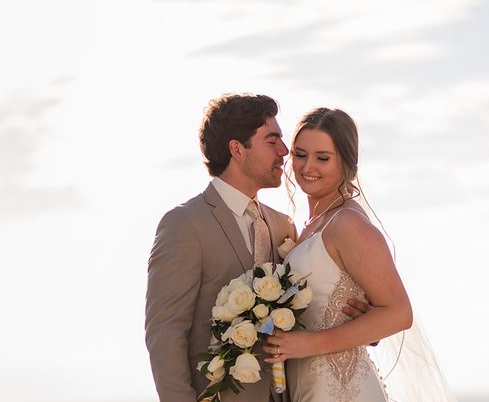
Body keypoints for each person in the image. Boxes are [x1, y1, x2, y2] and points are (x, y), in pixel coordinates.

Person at [145, 94, 370, 402]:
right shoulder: (184, 224)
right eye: (272, 140)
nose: (284, 151)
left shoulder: (283, 226)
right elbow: (165, 336)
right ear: (237, 149)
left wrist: (359, 319)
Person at [263, 108, 413, 402]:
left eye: (322, 158)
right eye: (300, 154)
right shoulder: (311, 224)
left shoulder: (348, 224)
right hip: (306, 385)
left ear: (347, 164)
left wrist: (308, 345)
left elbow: (399, 313)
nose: (308, 166)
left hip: (342, 389)